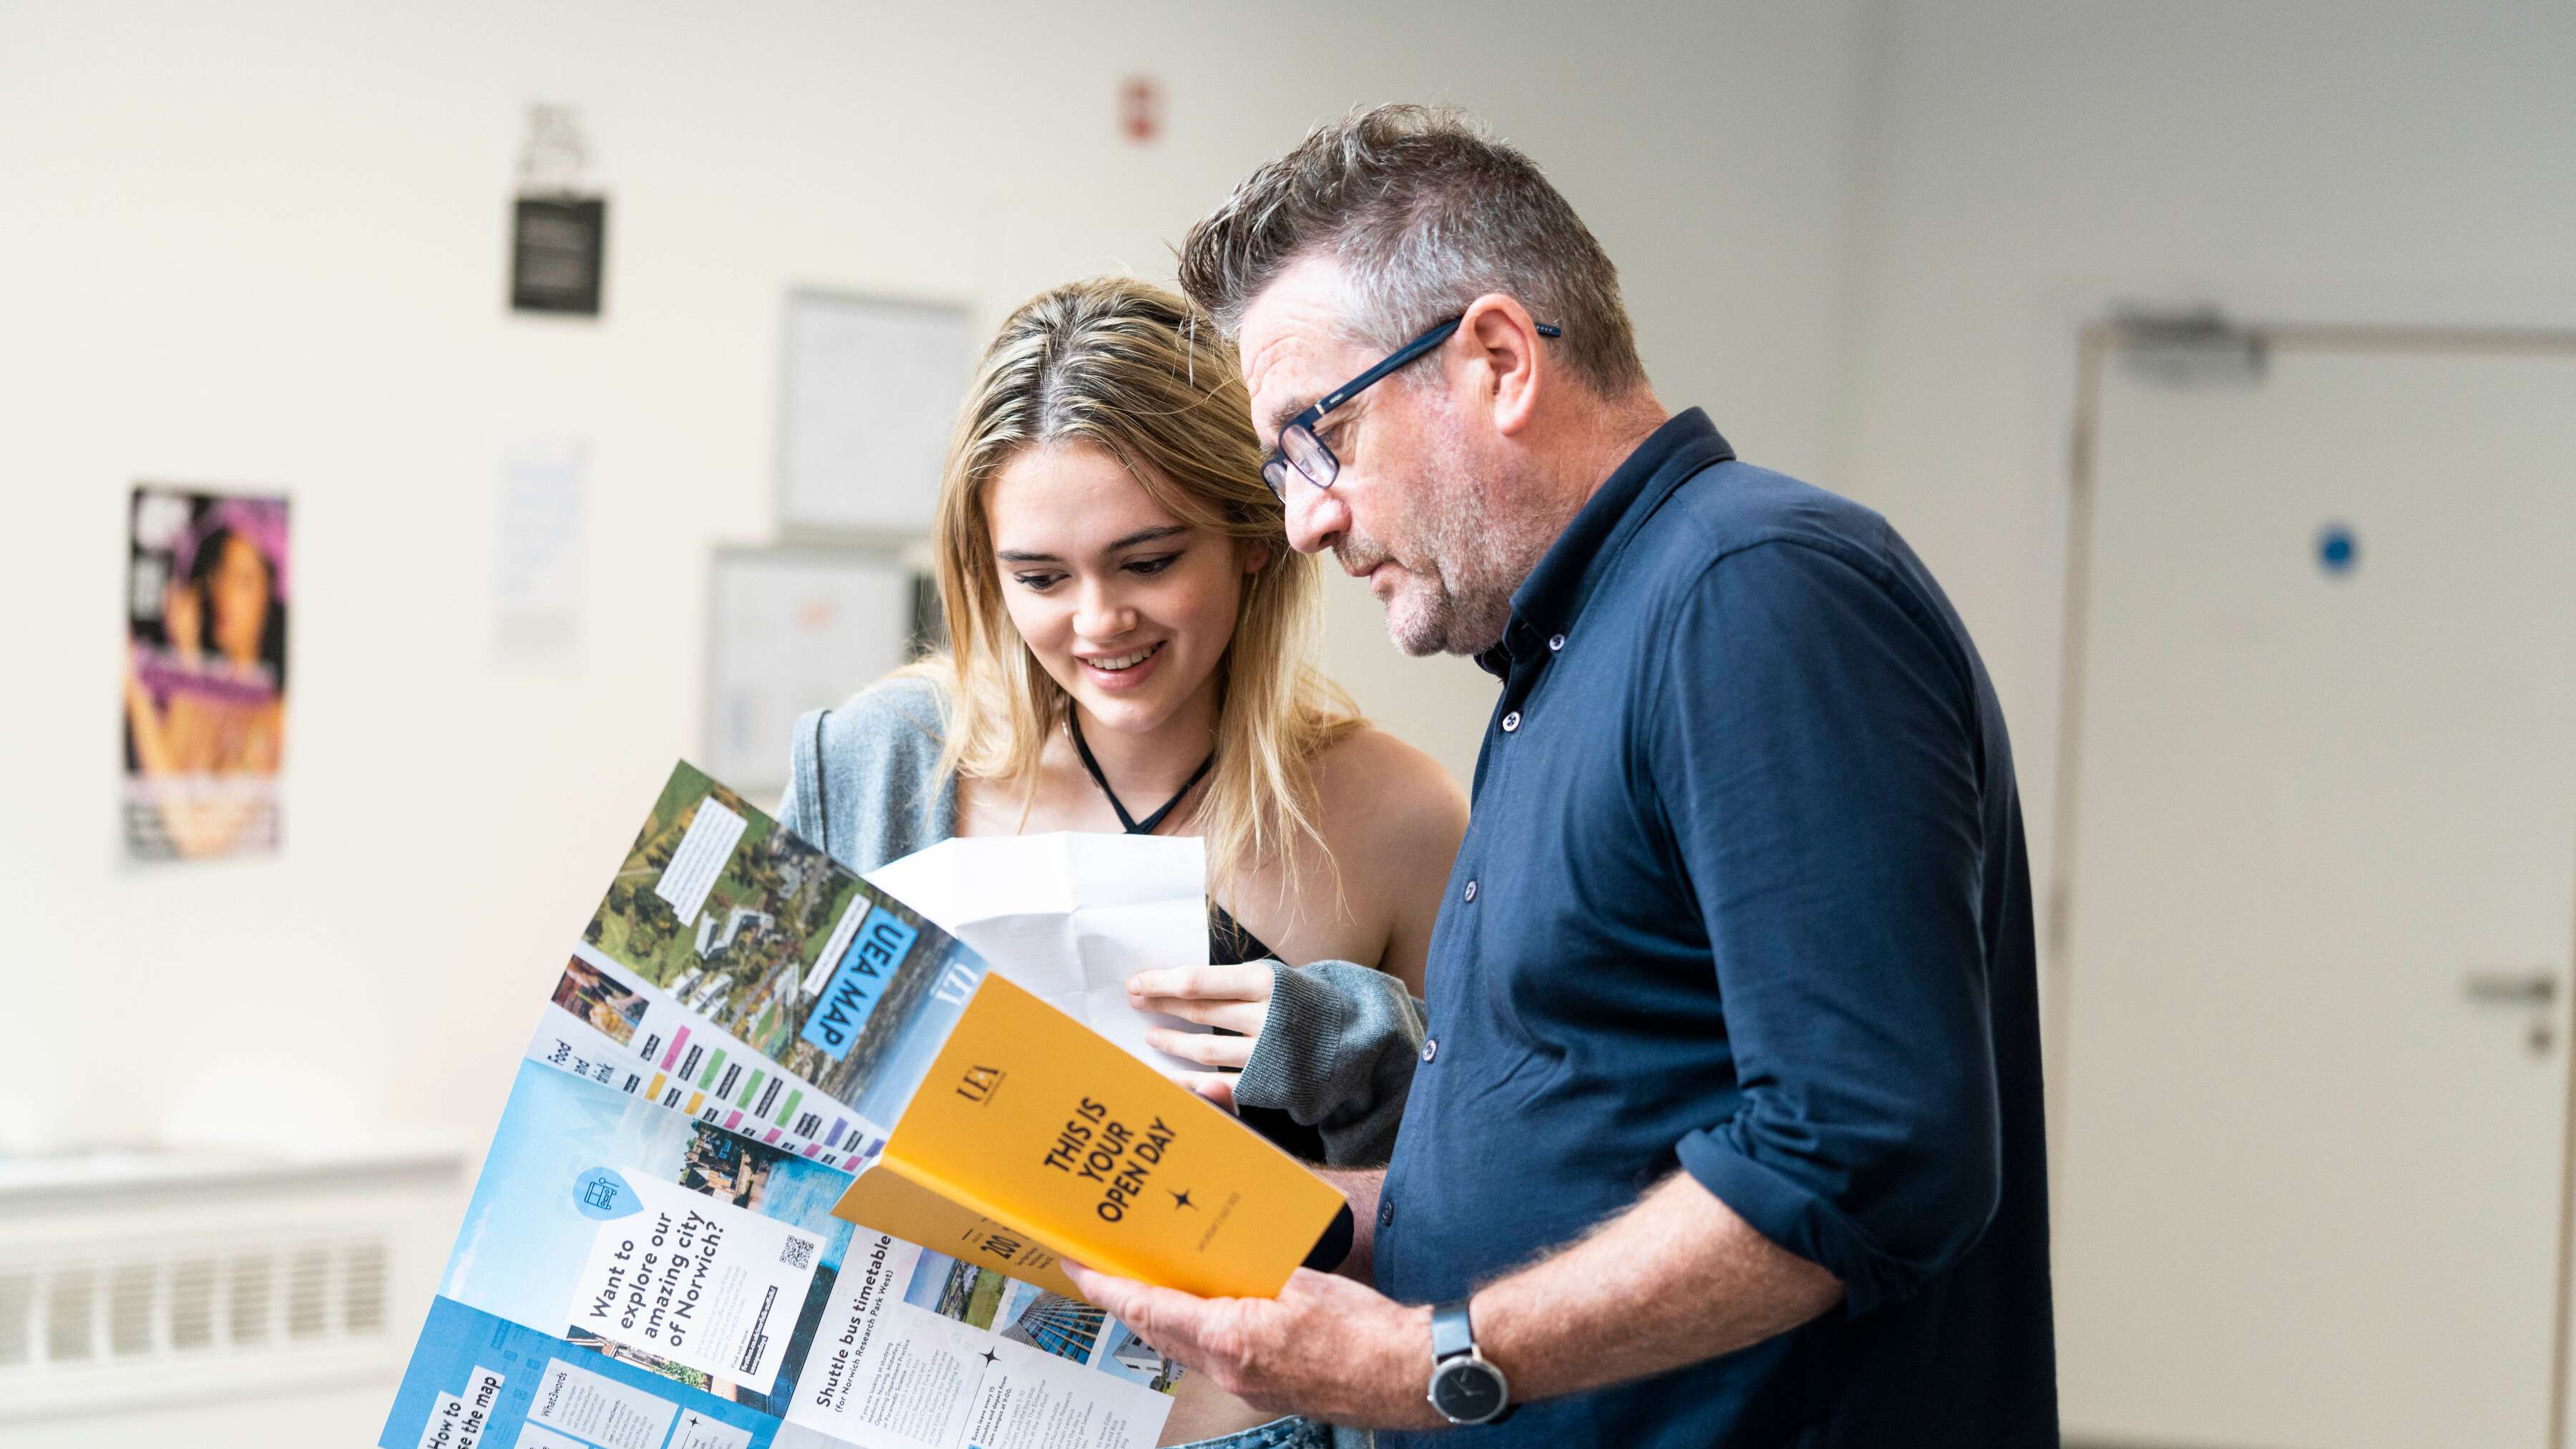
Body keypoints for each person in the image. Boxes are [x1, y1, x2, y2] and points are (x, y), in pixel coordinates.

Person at [1061, 105, 2058, 1448]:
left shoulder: (1752, 590)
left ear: (1495, 358)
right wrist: (1272, 1221)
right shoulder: (1565, 659)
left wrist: (1432, 1358)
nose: (1304, 518)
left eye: (1319, 438)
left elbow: (1871, 1154)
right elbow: (1589, 1152)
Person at [776, 276, 1468, 1448]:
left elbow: (1478, 1201)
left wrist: (1348, 1043)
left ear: (1255, 539)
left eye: (1146, 561)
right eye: (1040, 577)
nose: (1097, 622)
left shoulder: (1393, 812)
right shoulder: (877, 764)